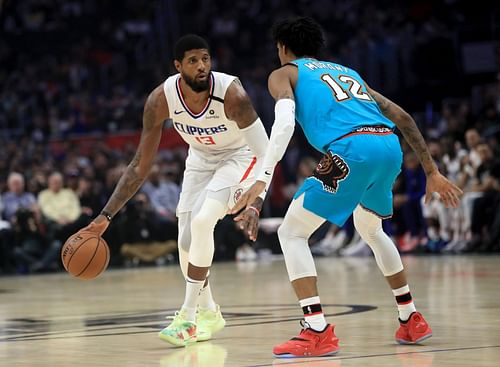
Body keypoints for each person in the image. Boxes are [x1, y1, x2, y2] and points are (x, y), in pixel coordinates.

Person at [231, 17, 463, 358]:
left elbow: (282, 126)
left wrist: (262, 181)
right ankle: (410, 317)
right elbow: (403, 117)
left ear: (282, 48)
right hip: (388, 147)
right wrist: (432, 170)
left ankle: (316, 329)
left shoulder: (285, 73)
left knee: (292, 233)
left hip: (351, 149)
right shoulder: (347, 72)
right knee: (371, 229)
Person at [77, 34, 269, 346]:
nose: (201, 66)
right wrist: (106, 216)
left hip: (242, 156)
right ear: (178, 66)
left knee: (203, 220)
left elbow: (267, 152)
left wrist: (256, 201)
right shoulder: (160, 100)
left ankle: (188, 316)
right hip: (200, 160)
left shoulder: (233, 95)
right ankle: (209, 311)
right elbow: (140, 165)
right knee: (185, 241)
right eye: (193, 61)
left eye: (205, 58)